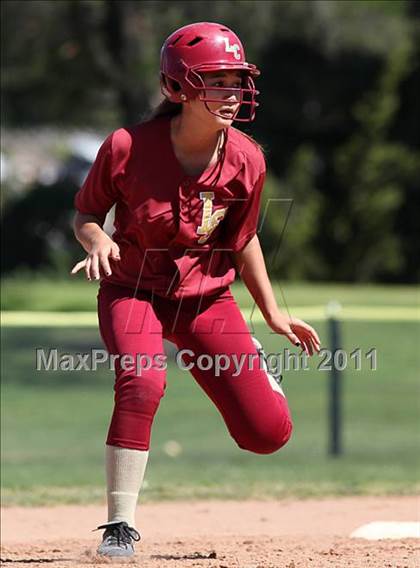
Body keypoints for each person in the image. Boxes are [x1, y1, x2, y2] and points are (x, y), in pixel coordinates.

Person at [71, 21, 320, 559]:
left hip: (206, 297)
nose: (232, 93)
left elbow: (244, 238)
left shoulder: (247, 158)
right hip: (133, 290)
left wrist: (273, 314)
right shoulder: (125, 147)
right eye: (215, 80)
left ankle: (252, 364)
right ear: (176, 89)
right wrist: (96, 240)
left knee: (266, 435)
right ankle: (120, 524)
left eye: (237, 80)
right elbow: (87, 213)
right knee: (143, 382)